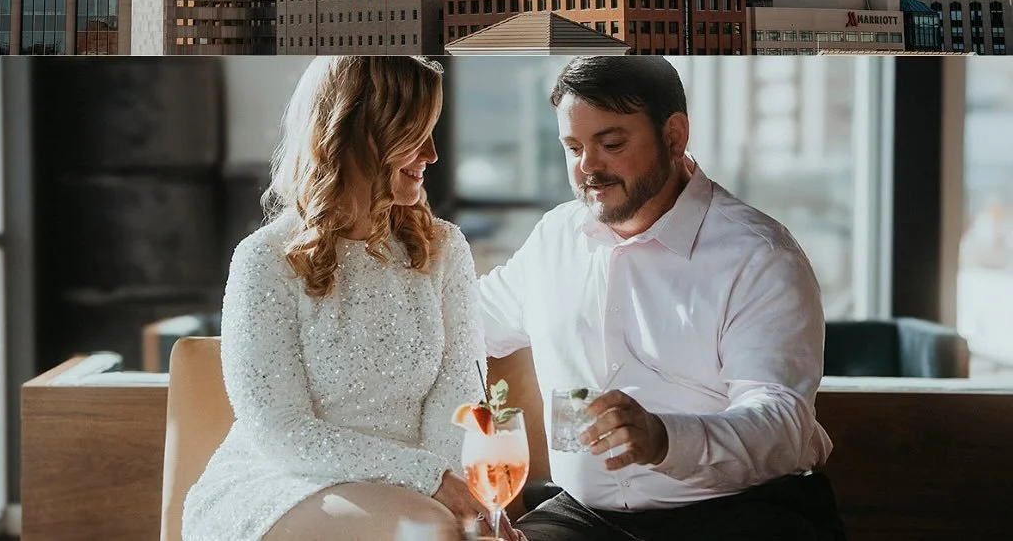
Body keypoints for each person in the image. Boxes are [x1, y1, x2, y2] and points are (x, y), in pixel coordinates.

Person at [479, 57, 847, 541]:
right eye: (574, 148)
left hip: (740, 512)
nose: (588, 167)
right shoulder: (554, 238)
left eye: (611, 144)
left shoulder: (759, 255)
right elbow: (465, 321)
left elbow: (780, 422)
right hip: (584, 516)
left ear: (674, 136)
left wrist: (666, 439)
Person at [183, 56, 523, 541]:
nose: (431, 154)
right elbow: (282, 430)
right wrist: (432, 481)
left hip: (419, 491)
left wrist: (461, 500)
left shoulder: (445, 249)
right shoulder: (264, 258)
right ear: (357, 134)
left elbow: (458, 400)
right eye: (414, 134)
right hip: (288, 483)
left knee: (452, 529)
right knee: (427, 531)